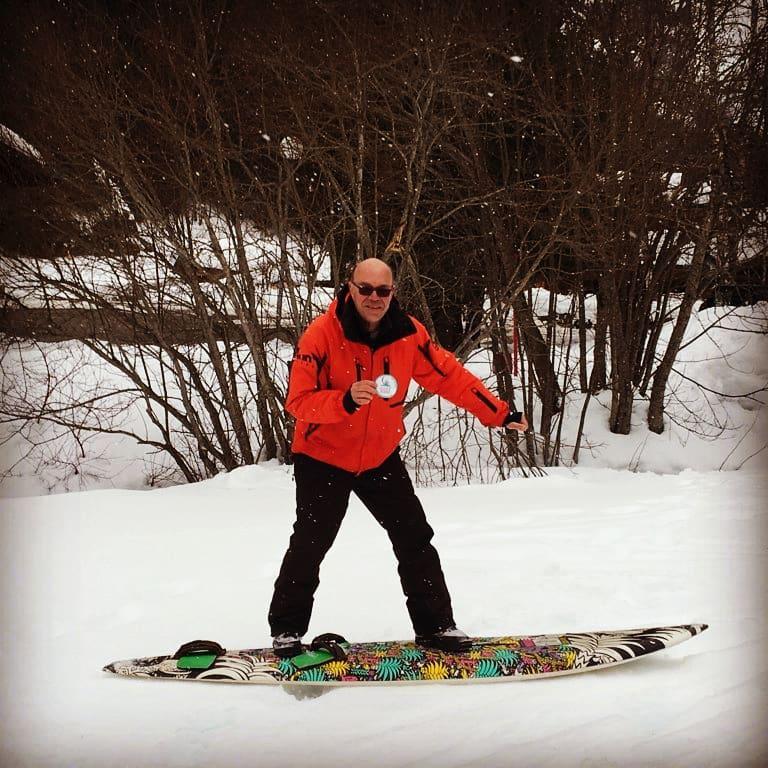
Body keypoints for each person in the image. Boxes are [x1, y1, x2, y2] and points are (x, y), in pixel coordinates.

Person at [268, 258, 528, 657]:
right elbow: (298, 402)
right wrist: (343, 400)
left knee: (414, 537)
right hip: (323, 457)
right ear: (350, 289)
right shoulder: (321, 335)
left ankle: (437, 627)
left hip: (379, 456)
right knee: (311, 542)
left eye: (383, 291)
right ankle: (286, 631)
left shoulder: (408, 335)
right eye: (366, 289)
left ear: (393, 293)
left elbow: (450, 376)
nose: (374, 298)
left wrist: (499, 413)